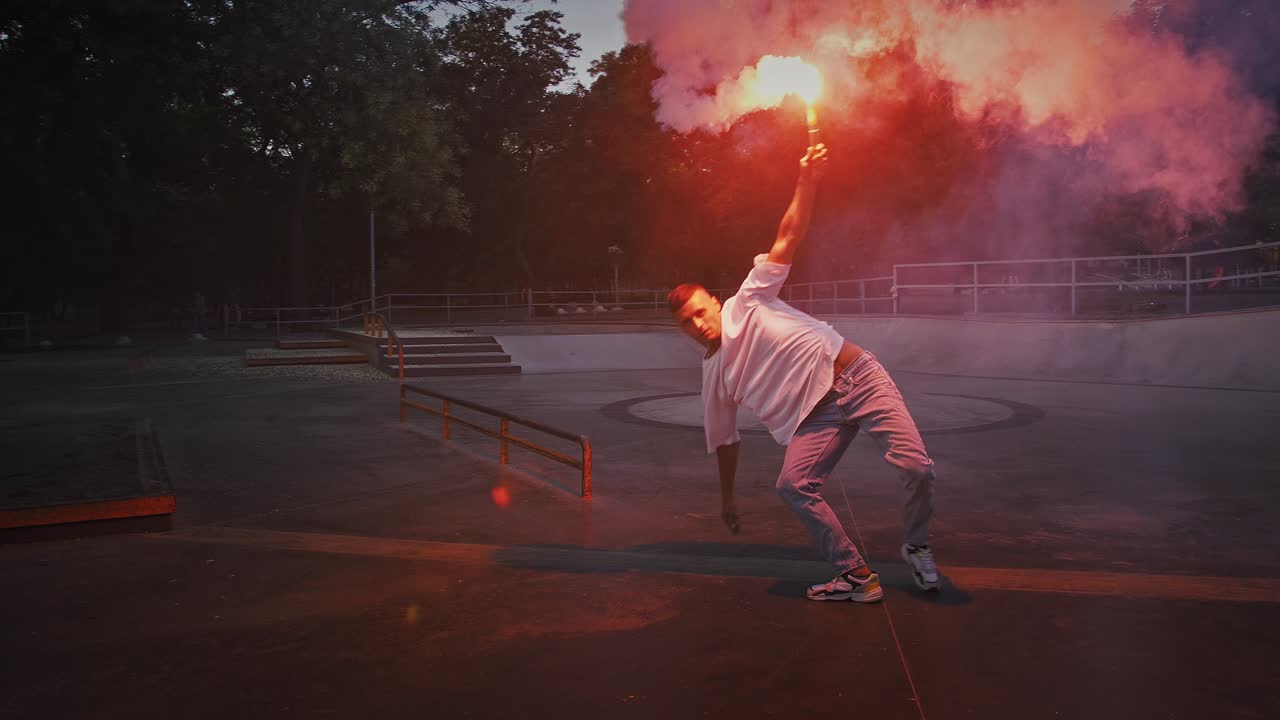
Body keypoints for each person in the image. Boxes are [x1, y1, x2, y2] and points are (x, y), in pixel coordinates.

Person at [668, 143, 939, 602]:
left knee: (917, 467)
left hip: (858, 376)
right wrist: (727, 501)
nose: (697, 324)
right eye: (686, 323)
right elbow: (726, 443)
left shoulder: (748, 299)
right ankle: (854, 574)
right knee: (793, 486)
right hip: (817, 417)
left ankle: (916, 544)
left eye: (699, 311)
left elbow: (788, 235)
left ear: (714, 301)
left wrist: (806, 179)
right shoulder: (713, 374)